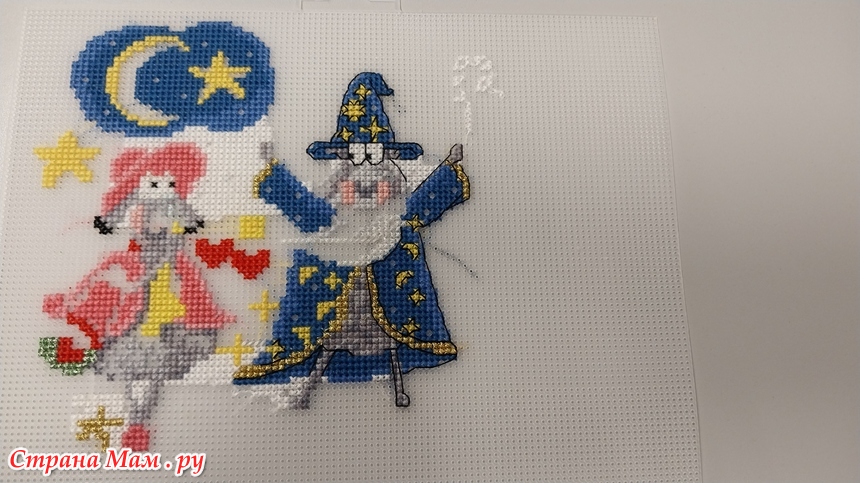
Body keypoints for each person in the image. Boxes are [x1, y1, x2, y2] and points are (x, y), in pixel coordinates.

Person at [234, 72, 469, 409]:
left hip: (391, 310)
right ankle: (309, 383)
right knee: (327, 343)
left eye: (377, 177)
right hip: (332, 312)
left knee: (390, 345)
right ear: (339, 178)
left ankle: (395, 385)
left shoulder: (396, 224)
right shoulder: (328, 227)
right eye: (355, 179)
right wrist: (272, 170)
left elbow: (424, 202)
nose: (366, 188)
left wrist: (449, 170)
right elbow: (299, 205)